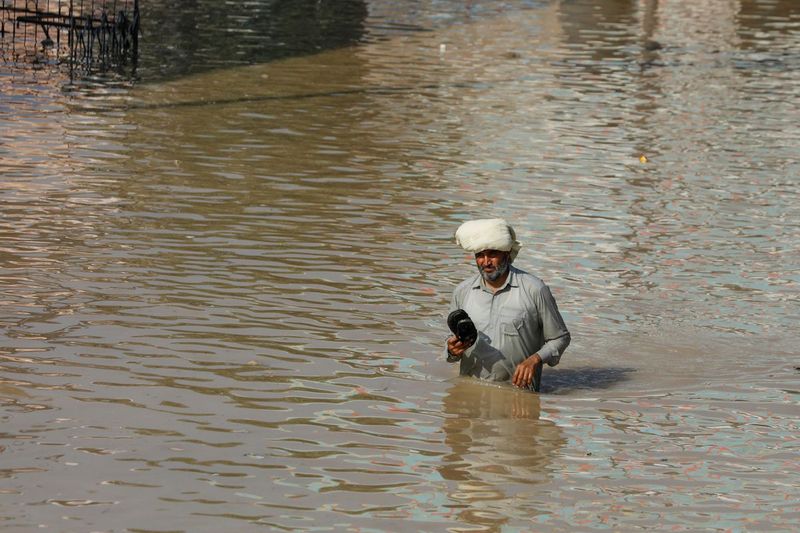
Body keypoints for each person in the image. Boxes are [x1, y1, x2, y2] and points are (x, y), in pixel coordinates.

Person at [445, 218, 570, 391]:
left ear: (507, 253)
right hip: (470, 394)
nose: (486, 262)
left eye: (492, 254)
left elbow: (560, 338)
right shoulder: (462, 291)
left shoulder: (535, 289)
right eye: (480, 255)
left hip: (519, 397)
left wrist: (535, 359)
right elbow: (450, 342)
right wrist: (451, 351)